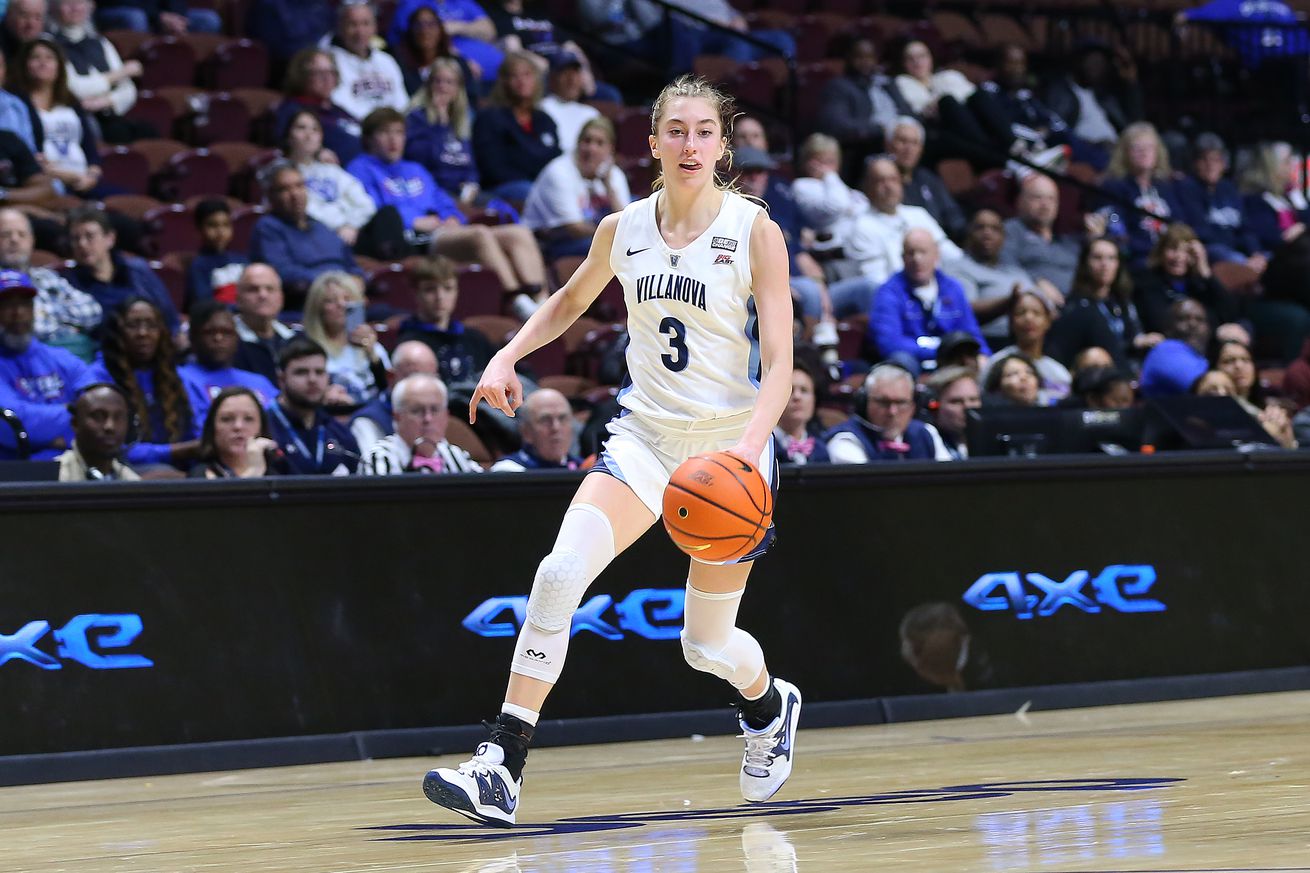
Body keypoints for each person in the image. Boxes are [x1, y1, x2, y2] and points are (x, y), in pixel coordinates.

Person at [422, 75, 801, 826]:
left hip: (728, 450)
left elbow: (783, 363)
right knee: (558, 573)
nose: (689, 144)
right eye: (675, 131)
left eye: (704, 132)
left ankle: (767, 706)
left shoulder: (755, 230)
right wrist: (508, 355)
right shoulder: (622, 228)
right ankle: (502, 766)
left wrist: (747, 450)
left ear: (723, 146)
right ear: (653, 142)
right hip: (645, 440)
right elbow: (570, 300)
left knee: (704, 645)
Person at [348, 108, 548, 318]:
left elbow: (443, 201)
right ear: (368, 139)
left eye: (399, 132)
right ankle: (517, 301)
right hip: (415, 240)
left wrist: (453, 218)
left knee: (518, 232)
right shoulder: (360, 169)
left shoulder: (415, 169)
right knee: (479, 234)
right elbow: (372, 211)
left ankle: (543, 302)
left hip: (441, 231)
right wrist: (415, 221)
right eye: (385, 132)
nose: (393, 140)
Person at [84, 296, 199, 470]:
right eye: (133, 325)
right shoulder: (98, 378)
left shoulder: (178, 377)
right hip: (121, 470)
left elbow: (194, 433)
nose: (143, 333)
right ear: (117, 332)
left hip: (180, 469)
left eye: (151, 325)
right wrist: (175, 451)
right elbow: (108, 447)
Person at [283, 109, 406, 262]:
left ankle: (396, 265)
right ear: (288, 135)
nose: (309, 135)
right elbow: (302, 211)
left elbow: (366, 205)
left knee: (388, 214)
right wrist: (339, 225)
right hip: (314, 235)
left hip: (350, 233)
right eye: (301, 128)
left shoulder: (331, 170)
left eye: (315, 129)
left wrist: (351, 226)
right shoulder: (282, 173)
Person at [868, 229, 989, 376]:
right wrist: (943, 350)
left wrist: (983, 354)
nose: (917, 259)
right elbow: (889, 343)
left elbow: (971, 331)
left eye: (923, 252)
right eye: (911, 253)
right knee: (900, 360)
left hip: (952, 360)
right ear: (902, 258)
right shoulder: (889, 292)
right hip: (914, 361)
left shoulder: (952, 288)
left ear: (936, 255)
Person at [0, 268, 91, 459]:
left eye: (25, 304)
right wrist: (76, 418)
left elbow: (100, 406)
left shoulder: (61, 358)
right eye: (7, 305)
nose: (18, 313)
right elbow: (10, 424)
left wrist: (49, 435)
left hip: (77, 464)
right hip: (19, 470)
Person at [10, 37, 109, 199]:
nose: (43, 63)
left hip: (83, 179)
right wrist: (67, 176)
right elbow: (26, 154)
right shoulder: (15, 103)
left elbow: (90, 148)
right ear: (24, 65)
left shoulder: (72, 102)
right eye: (35, 57)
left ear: (59, 66)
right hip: (45, 181)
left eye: (49, 58)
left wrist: (92, 175)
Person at [523, 116, 630, 259]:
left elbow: (625, 223)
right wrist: (618, 237)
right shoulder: (559, 172)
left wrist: (609, 187)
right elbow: (575, 228)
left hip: (589, 235)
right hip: (551, 243)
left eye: (599, 143)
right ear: (578, 144)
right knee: (613, 247)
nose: (591, 149)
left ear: (610, 149)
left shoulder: (613, 174)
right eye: (587, 141)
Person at [845, 156, 962, 286]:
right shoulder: (861, 227)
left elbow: (954, 256)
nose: (889, 186)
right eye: (880, 181)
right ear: (867, 187)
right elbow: (876, 283)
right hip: (897, 294)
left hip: (939, 288)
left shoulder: (918, 214)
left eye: (893, 179)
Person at [0, 206, 100, 358]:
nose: (14, 240)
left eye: (22, 234)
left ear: (32, 241)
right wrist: (62, 326)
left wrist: (48, 317)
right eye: (5, 234)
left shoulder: (47, 277)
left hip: (66, 356)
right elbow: (24, 330)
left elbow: (93, 311)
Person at [1045, 238, 1159, 371]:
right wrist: (1133, 344)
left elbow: (1133, 334)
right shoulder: (1076, 306)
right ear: (1085, 263)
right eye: (1097, 258)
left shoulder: (1123, 301)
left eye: (1111, 258)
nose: (1105, 264)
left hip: (1133, 367)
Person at [249, 162, 365, 292]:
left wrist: (357, 278)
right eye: (284, 189)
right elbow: (283, 272)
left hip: (344, 293)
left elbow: (351, 264)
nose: (295, 194)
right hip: (308, 298)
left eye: (299, 186)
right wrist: (333, 283)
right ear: (270, 196)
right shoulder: (268, 228)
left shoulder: (321, 225)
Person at [62, 207, 179, 332]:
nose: (82, 244)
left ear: (110, 239)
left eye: (90, 236)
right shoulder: (68, 285)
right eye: (75, 239)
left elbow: (169, 318)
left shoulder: (138, 271)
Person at [49, 0, 149, 144]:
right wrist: (122, 73)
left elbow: (129, 90)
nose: (75, 8)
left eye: (80, 2)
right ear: (54, 7)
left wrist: (105, 101)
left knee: (148, 131)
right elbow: (76, 89)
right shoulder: (50, 43)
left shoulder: (101, 42)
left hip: (110, 112)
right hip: (81, 117)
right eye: (67, 3)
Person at [945, 209, 1046, 347]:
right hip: (984, 340)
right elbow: (964, 310)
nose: (987, 233)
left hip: (1027, 339)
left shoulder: (1015, 271)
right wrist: (1008, 302)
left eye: (995, 229)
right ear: (969, 233)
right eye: (980, 228)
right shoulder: (959, 268)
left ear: (1003, 238)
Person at [471, 50, 561, 202]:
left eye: (527, 75)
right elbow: (492, 168)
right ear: (504, 81)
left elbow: (555, 161)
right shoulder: (489, 117)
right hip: (504, 187)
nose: (521, 81)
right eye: (514, 75)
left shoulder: (545, 120)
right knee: (533, 193)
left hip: (540, 186)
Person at [178, 301, 279, 435]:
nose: (218, 338)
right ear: (193, 338)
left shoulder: (260, 382)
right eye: (209, 332)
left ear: (237, 338)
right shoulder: (180, 378)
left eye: (226, 332)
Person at [396, 255, 496, 386]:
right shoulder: (410, 345)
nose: (440, 297)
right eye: (430, 289)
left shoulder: (475, 339)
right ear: (415, 293)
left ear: (457, 291)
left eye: (448, 288)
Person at [266, 337, 360, 475]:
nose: (312, 379)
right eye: (301, 372)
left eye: (319, 372)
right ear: (281, 379)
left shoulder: (340, 434)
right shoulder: (264, 428)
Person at [824, 363, 949, 462]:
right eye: (883, 402)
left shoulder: (926, 433)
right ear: (864, 403)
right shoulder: (846, 440)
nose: (892, 412)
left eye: (901, 402)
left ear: (913, 406)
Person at [1044, 41, 1143, 164]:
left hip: (1116, 149)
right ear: (1078, 61)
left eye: (1101, 62)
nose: (1098, 66)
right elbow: (1057, 130)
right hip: (1087, 153)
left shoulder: (1103, 97)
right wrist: (1093, 146)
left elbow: (1135, 123)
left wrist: (1131, 83)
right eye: (1093, 60)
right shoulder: (1062, 92)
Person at [364, 371, 482, 474]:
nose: (428, 418)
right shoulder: (380, 458)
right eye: (417, 411)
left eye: (435, 410)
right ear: (397, 417)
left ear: (446, 416)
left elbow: (485, 486)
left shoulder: (454, 455)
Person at [1101, 122, 1186, 265]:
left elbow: (1179, 223)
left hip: (1170, 257)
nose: (1144, 152)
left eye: (1149, 147)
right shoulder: (1114, 186)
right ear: (1125, 153)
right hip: (1138, 257)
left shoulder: (1166, 187)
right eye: (1137, 148)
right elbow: (1114, 220)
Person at [1132, 222, 1239, 335]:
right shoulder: (1148, 280)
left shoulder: (1199, 283)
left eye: (1186, 251)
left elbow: (1230, 313)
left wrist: (1205, 272)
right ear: (1161, 252)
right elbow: (1158, 322)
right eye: (1173, 249)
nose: (1179, 257)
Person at [1176, 132, 1264, 269]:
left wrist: (1255, 253)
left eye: (1216, 160)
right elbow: (1200, 231)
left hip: (1237, 250)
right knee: (1223, 253)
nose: (1210, 165)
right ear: (1194, 163)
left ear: (1224, 164)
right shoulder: (1187, 188)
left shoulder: (1229, 189)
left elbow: (1245, 228)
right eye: (1204, 160)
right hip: (1211, 250)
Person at [301, 270, 390, 404]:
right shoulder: (307, 349)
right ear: (318, 308)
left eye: (347, 299)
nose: (341, 305)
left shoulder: (373, 347)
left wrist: (371, 354)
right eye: (331, 301)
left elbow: (388, 390)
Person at [814, 37, 901, 173]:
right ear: (848, 59)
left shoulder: (887, 84)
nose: (865, 62)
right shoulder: (838, 87)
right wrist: (880, 130)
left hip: (897, 146)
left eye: (870, 57)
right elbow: (838, 126)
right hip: (862, 153)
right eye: (859, 57)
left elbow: (908, 113)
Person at [1000, 173, 1095, 295]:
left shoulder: (1067, 241)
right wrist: (1035, 282)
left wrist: (1095, 240)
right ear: (1020, 201)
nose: (1045, 204)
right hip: (1030, 298)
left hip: (1076, 301)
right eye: (1037, 197)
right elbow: (1006, 266)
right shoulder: (1011, 230)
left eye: (1051, 199)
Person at [405, 56, 480, 204]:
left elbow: (470, 164)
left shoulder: (462, 119)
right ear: (428, 85)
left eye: (449, 82)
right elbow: (420, 159)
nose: (442, 87)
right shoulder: (415, 118)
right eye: (437, 81)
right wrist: (439, 125)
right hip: (432, 189)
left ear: (458, 88)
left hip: (462, 192)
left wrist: (472, 184)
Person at [980, 288, 1072, 405]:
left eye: (1036, 313)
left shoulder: (1059, 372)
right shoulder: (995, 364)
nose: (1029, 318)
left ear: (1048, 321)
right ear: (1011, 321)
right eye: (1020, 313)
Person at [275, 48, 364, 167]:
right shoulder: (292, 109)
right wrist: (317, 152)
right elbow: (282, 143)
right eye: (318, 73)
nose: (327, 78)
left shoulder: (336, 109)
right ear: (302, 76)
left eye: (331, 72)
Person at [350, 338, 439, 456]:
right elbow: (374, 465)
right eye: (414, 378)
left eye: (430, 379)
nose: (422, 386)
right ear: (391, 377)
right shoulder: (368, 421)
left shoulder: (437, 415)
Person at [385, 0, 503, 87]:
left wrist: (458, 27)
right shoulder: (413, 4)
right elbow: (415, 40)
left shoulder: (462, 2)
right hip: (457, 72)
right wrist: (462, 60)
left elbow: (490, 30)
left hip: (495, 73)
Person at [326, 0, 408, 122]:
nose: (360, 32)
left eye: (366, 24)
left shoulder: (386, 60)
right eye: (353, 24)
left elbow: (402, 103)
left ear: (375, 27)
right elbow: (341, 104)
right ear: (340, 27)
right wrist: (377, 124)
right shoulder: (330, 61)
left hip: (391, 127)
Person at [886, 116, 965, 241]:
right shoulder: (879, 179)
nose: (909, 149)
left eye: (914, 143)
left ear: (921, 149)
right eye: (902, 141)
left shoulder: (928, 178)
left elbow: (953, 216)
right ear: (888, 144)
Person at [1212, 338, 1297, 447]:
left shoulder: (1269, 407)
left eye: (1246, 360)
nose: (1239, 366)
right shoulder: (1215, 411)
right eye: (1229, 361)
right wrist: (1266, 433)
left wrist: (1285, 432)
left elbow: (1290, 450)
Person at [188, 385, 285, 479]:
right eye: (226, 419)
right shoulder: (198, 476)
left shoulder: (278, 477)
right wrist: (254, 471)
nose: (238, 426)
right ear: (212, 428)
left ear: (261, 428)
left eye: (248, 419)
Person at [231, 263, 300, 385]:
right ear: (238, 298)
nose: (263, 295)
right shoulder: (226, 340)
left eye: (270, 289)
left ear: (281, 298)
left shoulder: (297, 337)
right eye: (253, 289)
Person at [393, 5, 479, 102]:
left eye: (431, 24)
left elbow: (472, 98)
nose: (425, 30)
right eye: (418, 25)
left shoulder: (457, 63)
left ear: (440, 29)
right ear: (410, 31)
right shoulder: (399, 65)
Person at [56, 381, 138, 480]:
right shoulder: (56, 478)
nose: (110, 426)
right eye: (98, 416)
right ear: (75, 423)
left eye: (118, 417)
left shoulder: (132, 481)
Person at [489, 386, 580, 470]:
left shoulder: (583, 468)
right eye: (545, 420)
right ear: (526, 432)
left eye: (562, 418)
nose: (556, 428)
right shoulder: (508, 470)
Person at [1139, 298, 1212, 398]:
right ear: (1168, 326)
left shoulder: (1197, 355)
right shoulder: (1165, 351)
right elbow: (1207, 386)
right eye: (1183, 318)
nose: (1193, 324)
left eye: (1199, 319)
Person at [186, 198, 249, 307]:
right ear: (199, 229)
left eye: (226, 224)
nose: (220, 231)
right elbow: (205, 304)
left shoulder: (242, 260)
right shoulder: (199, 266)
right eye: (213, 225)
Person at [537, 53, 599, 160]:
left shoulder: (591, 113)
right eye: (565, 73)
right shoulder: (541, 108)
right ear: (552, 78)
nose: (572, 80)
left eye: (576, 73)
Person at [772, 361, 829, 465]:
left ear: (814, 400)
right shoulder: (764, 447)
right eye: (790, 390)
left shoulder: (821, 449)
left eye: (804, 390)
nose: (797, 397)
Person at [926, 365, 980, 459]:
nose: (968, 407)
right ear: (935, 406)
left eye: (973, 399)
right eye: (956, 401)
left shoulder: (995, 440)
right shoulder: (926, 442)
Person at [94, 0, 221, 34]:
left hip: (162, 15)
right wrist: (159, 17)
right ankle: (141, 66)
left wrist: (177, 17)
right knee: (136, 18)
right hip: (119, 10)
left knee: (209, 20)